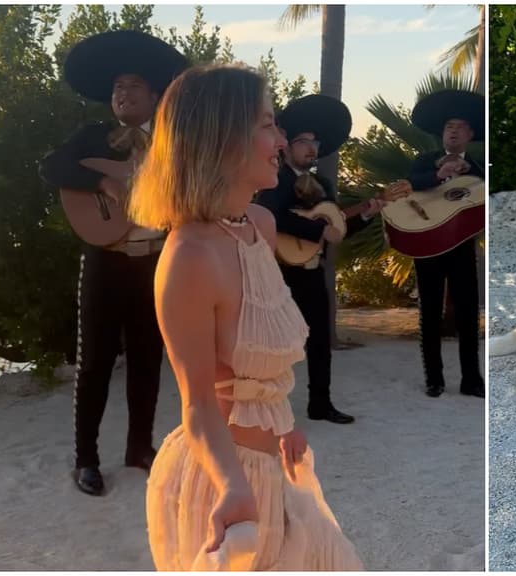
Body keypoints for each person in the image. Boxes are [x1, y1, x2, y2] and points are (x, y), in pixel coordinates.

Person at [130, 63, 363, 571]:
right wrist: (234, 485)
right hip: (222, 484)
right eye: (267, 123)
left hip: (278, 466)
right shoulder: (189, 257)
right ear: (222, 137)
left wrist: (285, 428)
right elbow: (199, 405)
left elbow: (258, 373)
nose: (280, 139)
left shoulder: (258, 224)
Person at [38, 30, 188, 496]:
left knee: (147, 360)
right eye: (117, 88)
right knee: (95, 364)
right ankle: (86, 459)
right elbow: (51, 168)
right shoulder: (94, 136)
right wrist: (102, 184)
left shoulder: (172, 144)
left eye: (132, 86)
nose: (122, 94)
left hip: (154, 264)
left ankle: (140, 448)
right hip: (106, 260)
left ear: (155, 95)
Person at [254, 95, 405, 424]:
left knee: (319, 339)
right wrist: (314, 229)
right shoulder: (274, 179)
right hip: (277, 273)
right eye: (304, 141)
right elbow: (268, 217)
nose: (311, 148)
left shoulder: (322, 185)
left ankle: (320, 404)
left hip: (311, 273)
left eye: (315, 142)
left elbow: (335, 229)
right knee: (272, 343)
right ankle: (267, 407)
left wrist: (365, 214)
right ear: (287, 145)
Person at [408, 89, 486, 398]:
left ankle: (472, 380)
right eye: (448, 126)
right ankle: (434, 379)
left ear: (469, 134)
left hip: (462, 246)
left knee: (468, 313)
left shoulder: (479, 166)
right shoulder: (424, 161)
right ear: (442, 134)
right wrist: (439, 174)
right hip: (427, 245)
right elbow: (411, 186)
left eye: (459, 127)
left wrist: (471, 173)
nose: (453, 131)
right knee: (429, 312)